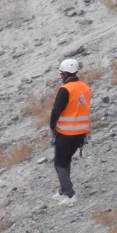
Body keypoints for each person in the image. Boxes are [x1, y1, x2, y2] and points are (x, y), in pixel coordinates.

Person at [50, 58, 90, 205]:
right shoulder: (85, 87)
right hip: (81, 132)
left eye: (61, 73)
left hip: (66, 133)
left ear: (65, 74)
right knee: (66, 160)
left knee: (60, 162)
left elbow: (56, 110)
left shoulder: (65, 90)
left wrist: (52, 126)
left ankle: (70, 194)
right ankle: (63, 190)